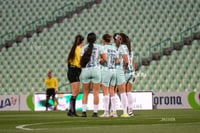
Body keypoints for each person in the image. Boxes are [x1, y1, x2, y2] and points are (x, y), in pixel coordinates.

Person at [80, 32, 106, 117]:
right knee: (96, 93)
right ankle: (95, 112)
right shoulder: (99, 47)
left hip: (86, 70)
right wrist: (98, 61)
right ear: (95, 39)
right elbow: (104, 59)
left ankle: (84, 112)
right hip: (96, 70)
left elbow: (81, 61)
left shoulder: (83, 48)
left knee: (85, 93)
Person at [100, 34, 118, 117]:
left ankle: (106, 112)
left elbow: (104, 59)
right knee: (112, 91)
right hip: (114, 70)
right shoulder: (114, 48)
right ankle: (114, 112)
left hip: (106, 70)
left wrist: (100, 61)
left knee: (105, 91)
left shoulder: (103, 48)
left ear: (103, 40)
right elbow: (117, 60)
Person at [67, 35, 84, 117]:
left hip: (72, 70)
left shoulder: (74, 49)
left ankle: (71, 110)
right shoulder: (79, 50)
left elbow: (69, 62)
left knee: (75, 92)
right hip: (75, 70)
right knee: (75, 92)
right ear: (82, 42)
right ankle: (72, 111)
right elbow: (80, 61)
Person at [113, 33, 130, 117]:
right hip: (119, 70)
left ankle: (113, 112)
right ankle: (125, 112)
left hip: (112, 70)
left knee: (112, 92)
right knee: (122, 92)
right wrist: (124, 69)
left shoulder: (112, 47)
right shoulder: (122, 47)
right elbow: (126, 61)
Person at [120, 33, 136, 117]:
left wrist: (123, 70)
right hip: (131, 72)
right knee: (128, 92)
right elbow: (133, 62)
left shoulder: (121, 48)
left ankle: (125, 110)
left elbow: (124, 61)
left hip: (125, 72)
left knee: (122, 92)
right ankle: (130, 110)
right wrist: (134, 73)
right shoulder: (130, 50)